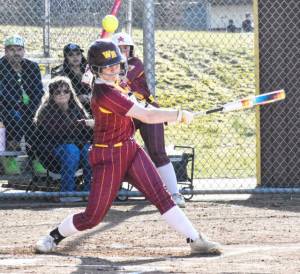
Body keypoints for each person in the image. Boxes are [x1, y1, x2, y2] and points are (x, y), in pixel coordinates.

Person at [35, 39, 222, 255]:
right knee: (93, 217)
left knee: (161, 196)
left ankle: (195, 239)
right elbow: (147, 115)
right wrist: (178, 114)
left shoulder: (115, 85)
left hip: (130, 150)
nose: (115, 69)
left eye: (117, 64)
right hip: (108, 157)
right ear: (96, 69)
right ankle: (53, 237)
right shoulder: (106, 94)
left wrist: (99, 74)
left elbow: (139, 103)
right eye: (108, 66)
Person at [112, 32, 186, 207]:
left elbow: (121, 80)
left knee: (157, 152)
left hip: (146, 110)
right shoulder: (108, 70)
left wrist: (98, 75)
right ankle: (113, 191)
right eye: (119, 48)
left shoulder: (135, 64)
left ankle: (175, 194)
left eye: (126, 48)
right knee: (119, 151)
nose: (123, 51)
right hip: (126, 112)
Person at [33, 76, 92, 197]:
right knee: (71, 149)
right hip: (50, 153)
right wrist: (80, 126)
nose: (62, 94)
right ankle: (67, 193)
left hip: (76, 149)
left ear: (71, 93)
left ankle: (89, 190)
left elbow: (85, 133)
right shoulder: (46, 111)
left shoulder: (76, 108)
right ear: (51, 95)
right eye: (57, 92)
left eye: (66, 91)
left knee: (88, 149)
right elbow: (59, 135)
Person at [0, 35, 44, 174]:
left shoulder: (32, 66)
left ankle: (36, 157)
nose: (16, 53)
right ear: (5, 51)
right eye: (11, 50)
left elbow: (38, 91)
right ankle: (10, 158)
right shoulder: (1, 67)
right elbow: (2, 93)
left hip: (30, 107)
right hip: (7, 107)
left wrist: (32, 108)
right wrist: (18, 103)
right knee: (16, 118)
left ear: (24, 51)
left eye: (19, 49)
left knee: (36, 119)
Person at [51, 43, 92, 112]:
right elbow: (57, 95)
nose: (75, 57)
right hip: (71, 107)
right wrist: (77, 98)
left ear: (81, 55)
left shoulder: (90, 69)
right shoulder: (59, 73)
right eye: (71, 55)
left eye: (78, 54)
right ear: (66, 57)